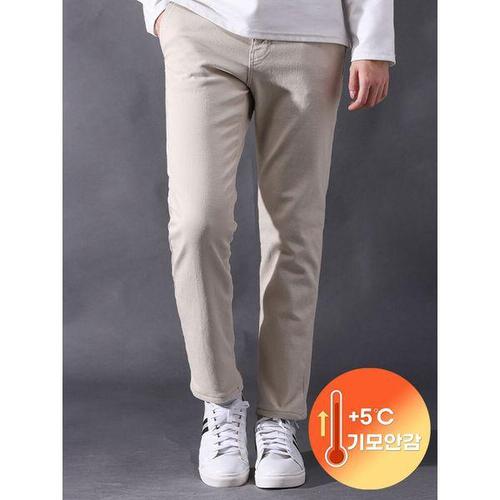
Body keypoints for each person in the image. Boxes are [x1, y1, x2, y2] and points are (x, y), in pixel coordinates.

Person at [138, 0, 395, 489]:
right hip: (200, 22)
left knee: (294, 230)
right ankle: (220, 403)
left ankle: (280, 417)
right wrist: (159, 10)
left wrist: (374, 43)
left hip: (309, 33)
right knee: (197, 221)